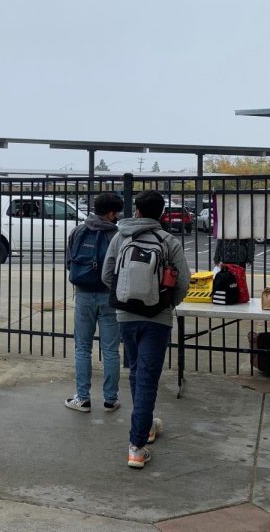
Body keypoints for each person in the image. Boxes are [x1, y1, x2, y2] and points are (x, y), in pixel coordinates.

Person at [102, 190, 190, 469]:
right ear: (162, 213)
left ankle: (147, 424)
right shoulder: (169, 241)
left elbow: (107, 275)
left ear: (136, 211)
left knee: (137, 370)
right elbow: (184, 282)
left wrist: (126, 297)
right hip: (158, 318)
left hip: (126, 317)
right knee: (148, 377)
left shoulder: (121, 237)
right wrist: (166, 304)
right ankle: (137, 446)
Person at [64, 192, 125, 412]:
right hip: (109, 295)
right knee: (110, 350)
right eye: (116, 212)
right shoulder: (117, 236)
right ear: (110, 213)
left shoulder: (79, 231)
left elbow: (70, 262)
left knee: (83, 348)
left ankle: (82, 398)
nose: (117, 216)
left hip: (83, 293)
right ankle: (110, 399)